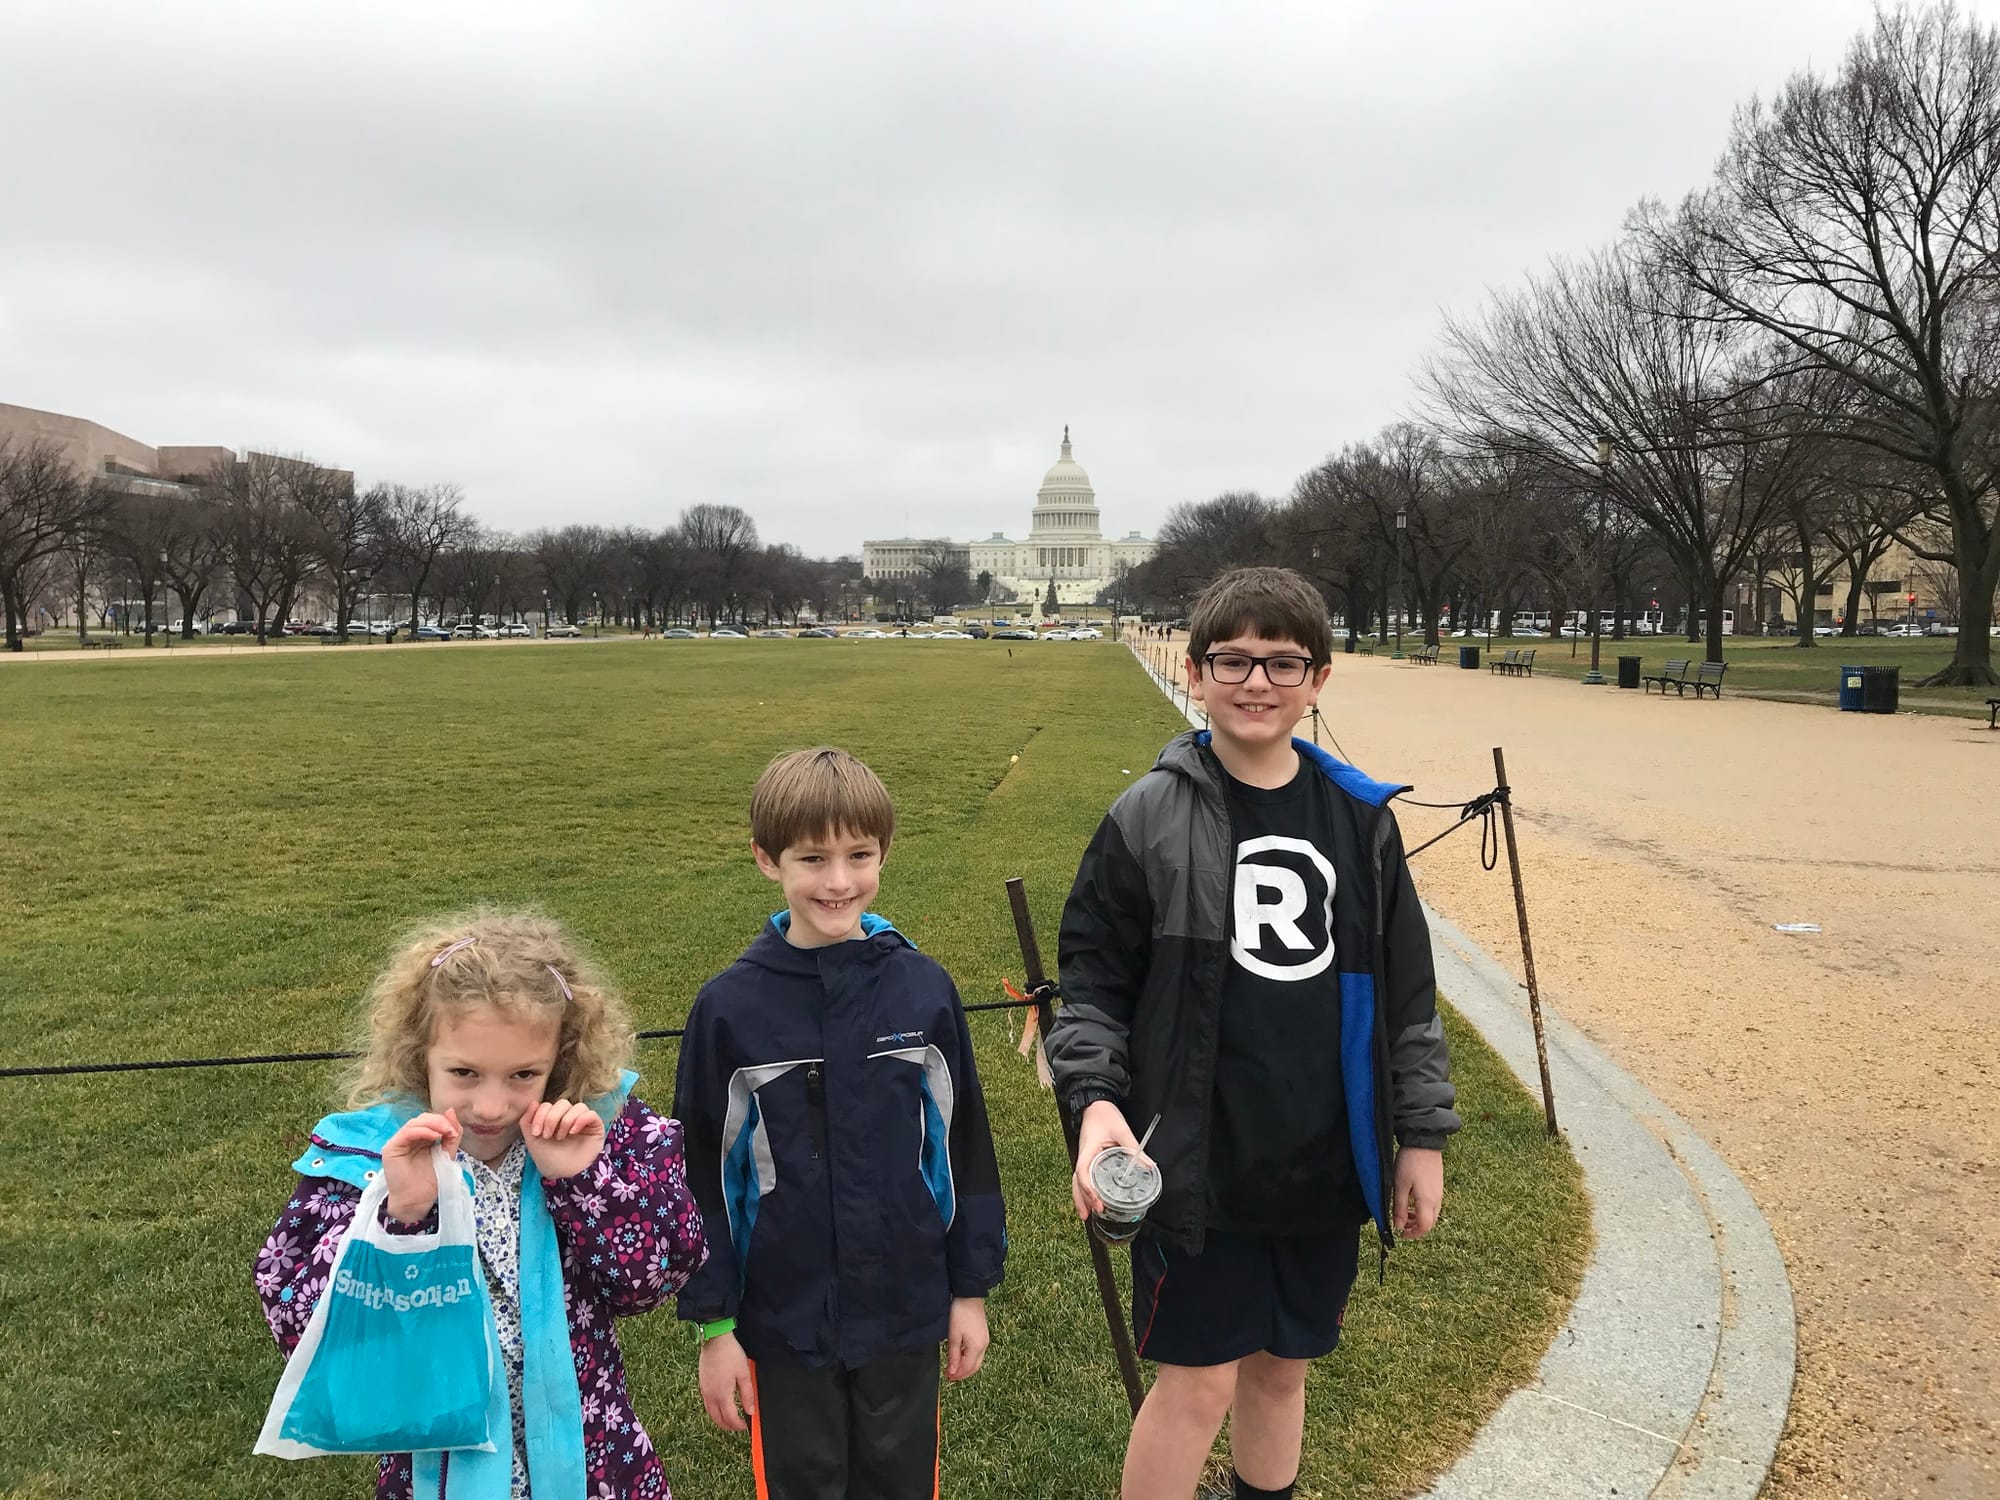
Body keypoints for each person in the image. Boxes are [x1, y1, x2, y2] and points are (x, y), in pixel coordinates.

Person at [1049, 565, 1461, 1500]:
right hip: (1199, 1159)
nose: (1257, 682)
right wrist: (1097, 1102)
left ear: (1319, 679)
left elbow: (1408, 998)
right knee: (1196, 1387)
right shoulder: (1148, 814)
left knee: (1281, 1371)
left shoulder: (1360, 821)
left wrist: (1421, 1136)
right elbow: (1094, 983)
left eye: (1283, 662)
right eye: (1232, 660)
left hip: (1321, 1156)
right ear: (1194, 674)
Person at [255, 912, 708, 1499]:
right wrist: (400, 1216)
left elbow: (648, 1284)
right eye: (464, 1073)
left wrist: (584, 1180)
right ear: (419, 1054)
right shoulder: (368, 1157)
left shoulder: (602, 1131)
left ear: (561, 1060)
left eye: (523, 1074)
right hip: (435, 1472)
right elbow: (302, 1331)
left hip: (596, 1460)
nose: (491, 1106)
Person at [673, 747, 1006, 1500]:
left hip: (905, 1308)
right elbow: (703, 1179)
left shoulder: (923, 991)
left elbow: (963, 1149)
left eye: (859, 855)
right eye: (812, 859)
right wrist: (715, 1326)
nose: (838, 882)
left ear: (884, 852)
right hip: (784, 1318)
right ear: (767, 860)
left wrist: (969, 1289)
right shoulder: (729, 1010)